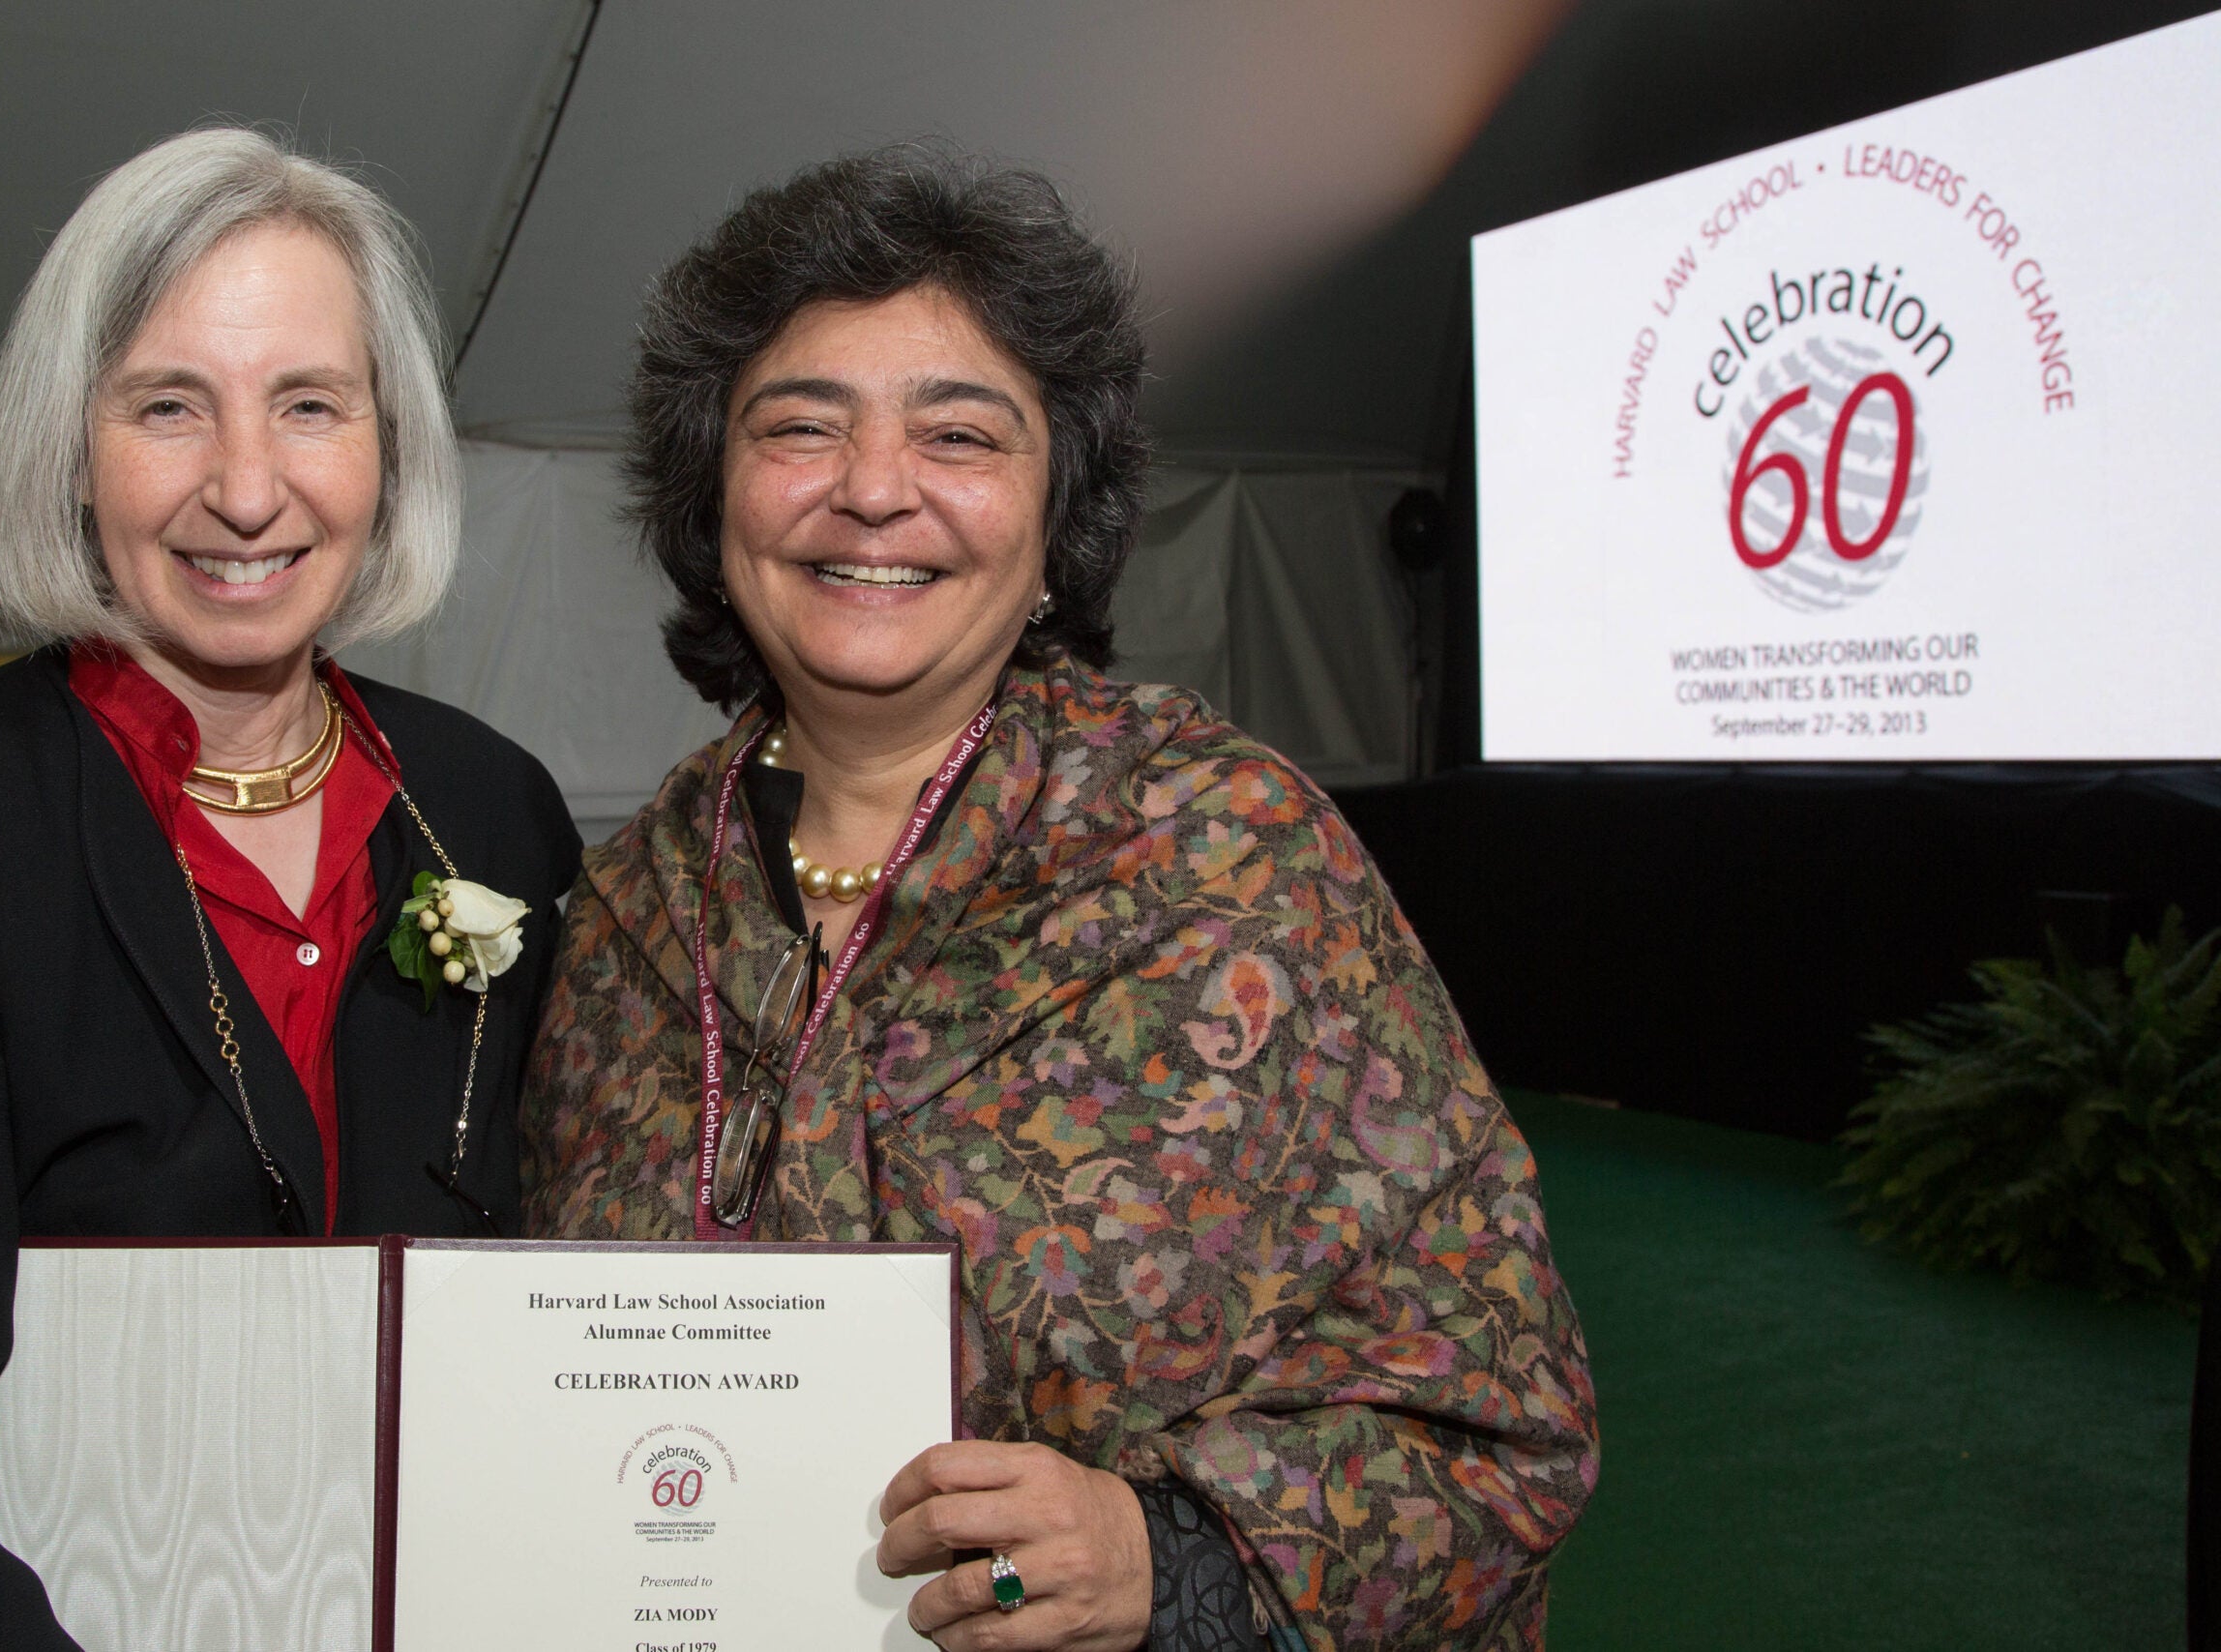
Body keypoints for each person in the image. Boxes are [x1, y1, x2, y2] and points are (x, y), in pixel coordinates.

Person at [520, 149, 1596, 1652]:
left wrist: (1168, 1562)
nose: (875, 489)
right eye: (799, 427)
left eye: (959, 434)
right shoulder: (630, 908)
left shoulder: (1226, 859)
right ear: (715, 499)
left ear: (1055, 519)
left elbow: (1504, 1432)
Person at [0, 128, 581, 1648]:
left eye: (310, 405)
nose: (246, 489)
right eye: (168, 407)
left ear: (387, 447)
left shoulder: (493, 811)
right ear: (70, 447)